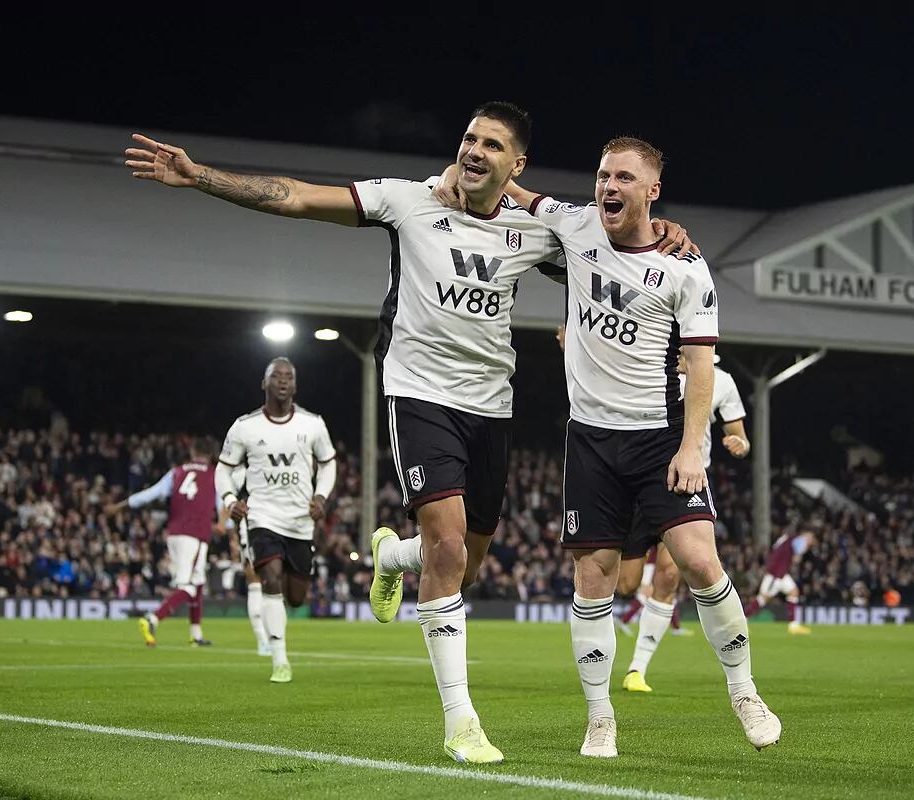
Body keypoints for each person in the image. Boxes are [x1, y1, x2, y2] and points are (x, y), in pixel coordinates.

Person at [126, 99, 693, 765]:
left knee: (465, 566)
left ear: (517, 166)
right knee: (447, 547)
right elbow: (298, 197)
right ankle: (461, 721)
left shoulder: (536, 230)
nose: (474, 151)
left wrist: (665, 230)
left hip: (492, 407)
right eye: (470, 138)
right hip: (419, 394)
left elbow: (617, 248)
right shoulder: (408, 201)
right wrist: (200, 177)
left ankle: (394, 558)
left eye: (492, 145)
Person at [444, 135, 781, 756]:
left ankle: (745, 692)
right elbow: (516, 190)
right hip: (590, 440)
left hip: (658, 439)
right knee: (594, 577)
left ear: (653, 191)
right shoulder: (576, 226)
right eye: (603, 175)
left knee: (699, 562)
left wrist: (691, 447)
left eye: (624, 178)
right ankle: (600, 717)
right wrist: (467, 170)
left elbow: (701, 366)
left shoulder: (686, 267)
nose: (609, 186)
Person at [619, 350, 751, 692]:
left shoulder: (720, 381)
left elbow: (738, 433)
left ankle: (637, 669)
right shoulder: (646, 367)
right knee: (626, 585)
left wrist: (739, 443)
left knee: (668, 575)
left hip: (685, 482)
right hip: (639, 481)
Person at [213, 358, 337, 685]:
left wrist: (321, 496)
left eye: (288, 377)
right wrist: (230, 500)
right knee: (269, 579)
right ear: (264, 383)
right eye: (276, 376)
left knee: (296, 596)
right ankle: (280, 660)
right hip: (262, 517)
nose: (282, 381)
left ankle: (277, 614)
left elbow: (328, 463)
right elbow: (223, 469)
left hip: (300, 520)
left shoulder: (313, 424)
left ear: (295, 385)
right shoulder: (245, 427)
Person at [104, 437, 220, 647]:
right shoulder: (215, 474)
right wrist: (225, 525)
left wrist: (120, 506)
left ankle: (196, 634)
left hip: (174, 534)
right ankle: (153, 619)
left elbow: (150, 494)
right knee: (188, 586)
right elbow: (222, 503)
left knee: (198, 581)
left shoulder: (176, 472)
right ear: (211, 455)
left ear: (192, 452)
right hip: (195, 535)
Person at [223, 464, 272, 657]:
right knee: (256, 582)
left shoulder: (269, 466)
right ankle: (263, 640)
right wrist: (232, 537)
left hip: (273, 528)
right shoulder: (239, 474)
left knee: (269, 585)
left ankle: (269, 637)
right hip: (251, 531)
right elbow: (227, 503)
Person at [743, 529, 815, 634]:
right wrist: (804, 548)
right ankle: (742, 619)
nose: (810, 540)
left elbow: (776, 549)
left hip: (780, 572)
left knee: (793, 592)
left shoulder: (787, 538)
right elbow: (797, 557)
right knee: (763, 598)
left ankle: (793, 625)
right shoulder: (799, 540)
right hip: (775, 574)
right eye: (810, 538)